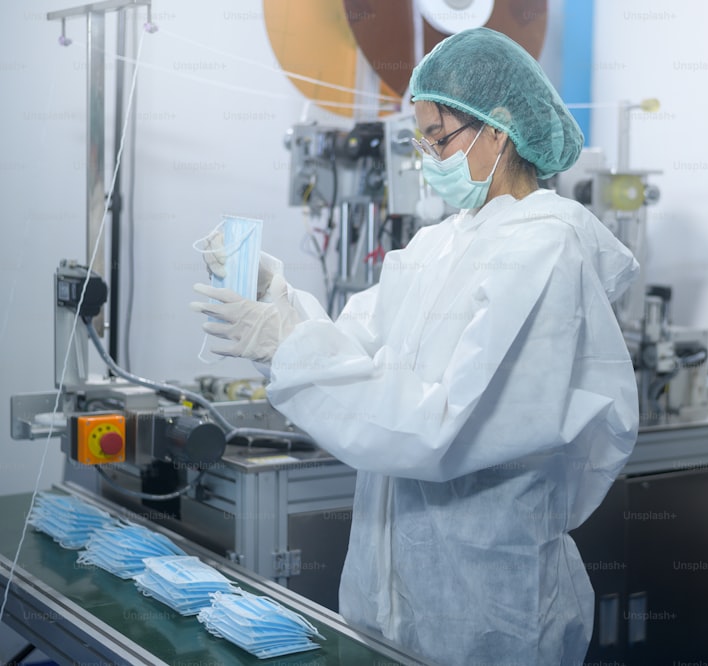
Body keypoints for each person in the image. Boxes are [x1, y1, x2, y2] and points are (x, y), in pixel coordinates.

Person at [191, 27, 639, 666]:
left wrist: (285, 348)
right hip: (389, 587)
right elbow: (357, 344)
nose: (428, 154)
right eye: (421, 138)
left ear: (499, 129)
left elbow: (442, 428)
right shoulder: (441, 244)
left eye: (440, 136)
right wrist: (277, 307)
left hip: (489, 604)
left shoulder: (543, 249)